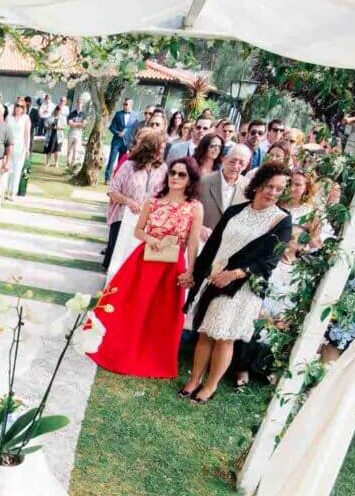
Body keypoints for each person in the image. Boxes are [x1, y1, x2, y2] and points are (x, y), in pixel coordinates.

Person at [181, 163, 293, 403]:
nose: (272, 192)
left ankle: (210, 386)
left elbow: (269, 261)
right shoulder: (235, 211)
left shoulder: (281, 221)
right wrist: (199, 273)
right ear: (257, 185)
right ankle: (194, 380)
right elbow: (212, 246)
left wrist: (233, 274)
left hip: (242, 288)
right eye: (268, 186)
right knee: (204, 333)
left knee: (224, 337)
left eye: (279, 189)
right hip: (214, 279)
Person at [88, 157, 203, 378]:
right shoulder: (153, 201)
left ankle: (152, 356)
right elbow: (138, 230)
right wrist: (152, 240)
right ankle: (119, 349)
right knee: (131, 305)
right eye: (173, 173)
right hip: (145, 260)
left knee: (161, 312)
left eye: (182, 174)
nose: (175, 178)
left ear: (190, 179)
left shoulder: (195, 207)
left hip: (172, 265)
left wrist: (190, 270)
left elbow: (193, 242)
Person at [103, 130, 168, 269]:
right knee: (118, 257)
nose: (161, 153)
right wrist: (129, 202)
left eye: (163, 149)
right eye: (159, 149)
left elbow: (164, 195)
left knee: (135, 260)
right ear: (150, 148)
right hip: (123, 217)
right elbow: (112, 190)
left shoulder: (162, 168)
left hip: (147, 222)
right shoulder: (129, 165)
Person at [197, 143, 251, 240]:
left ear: (246, 165)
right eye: (233, 161)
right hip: (203, 243)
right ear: (224, 159)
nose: (236, 166)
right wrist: (199, 228)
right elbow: (189, 211)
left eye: (241, 163)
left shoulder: (249, 188)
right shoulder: (203, 182)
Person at [104, 98, 139, 182]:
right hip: (116, 141)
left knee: (121, 162)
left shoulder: (135, 115)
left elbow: (135, 129)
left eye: (126, 104)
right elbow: (111, 127)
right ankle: (107, 178)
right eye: (124, 104)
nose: (124, 105)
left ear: (131, 105)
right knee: (111, 160)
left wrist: (133, 141)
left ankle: (117, 178)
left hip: (127, 143)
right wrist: (117, 133)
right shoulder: (118, 114)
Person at [4, 99, 31, 199]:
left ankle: (12, 192)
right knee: (8, 168)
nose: (19, 108)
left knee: (17, 169)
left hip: (20, 146)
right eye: (17, 105)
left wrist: (27, 148)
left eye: (21, 106)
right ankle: (5, 190)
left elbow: (27, 135)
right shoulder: (9, 118)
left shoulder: (26, 118)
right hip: (9, 145)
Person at [66, 100, 86, 170]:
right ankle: (67, 162)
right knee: (69, 148)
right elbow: (69, 123)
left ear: (82, 104)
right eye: (77, 103)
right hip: (71, 132)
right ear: (76, 104)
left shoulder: (84, 114)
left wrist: (75, 124)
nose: (78, 104)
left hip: (79, 133)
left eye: (80, 103)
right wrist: (78, 124)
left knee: (76, 149)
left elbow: (83, 125)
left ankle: (73, 163)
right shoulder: (72, 113)